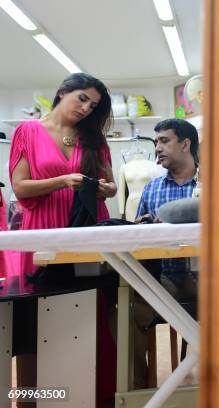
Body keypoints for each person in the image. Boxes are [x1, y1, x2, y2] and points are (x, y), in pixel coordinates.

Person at [8, 73, 116, 406]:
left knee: (88, 316)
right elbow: (20, 187)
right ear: (62, 92)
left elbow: (111, 185)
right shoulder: (28, 132)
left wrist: (105, 188)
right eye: (82, 98)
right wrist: (61, 181)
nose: (86, 108)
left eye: (93, 105)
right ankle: (31, 399)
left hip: (85, 235)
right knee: (34, 323)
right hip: (43, 234)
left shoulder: (94, 140)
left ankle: (91, 397)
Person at [133, 118, 199, 388]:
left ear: (185, 144)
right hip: (164, 279)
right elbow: (136, 237)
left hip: (209, 279)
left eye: (164, 140)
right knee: (128, 313)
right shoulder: (152, 188)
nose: (157, 147)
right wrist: (148, 228)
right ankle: (137, 391)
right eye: (156, 141)